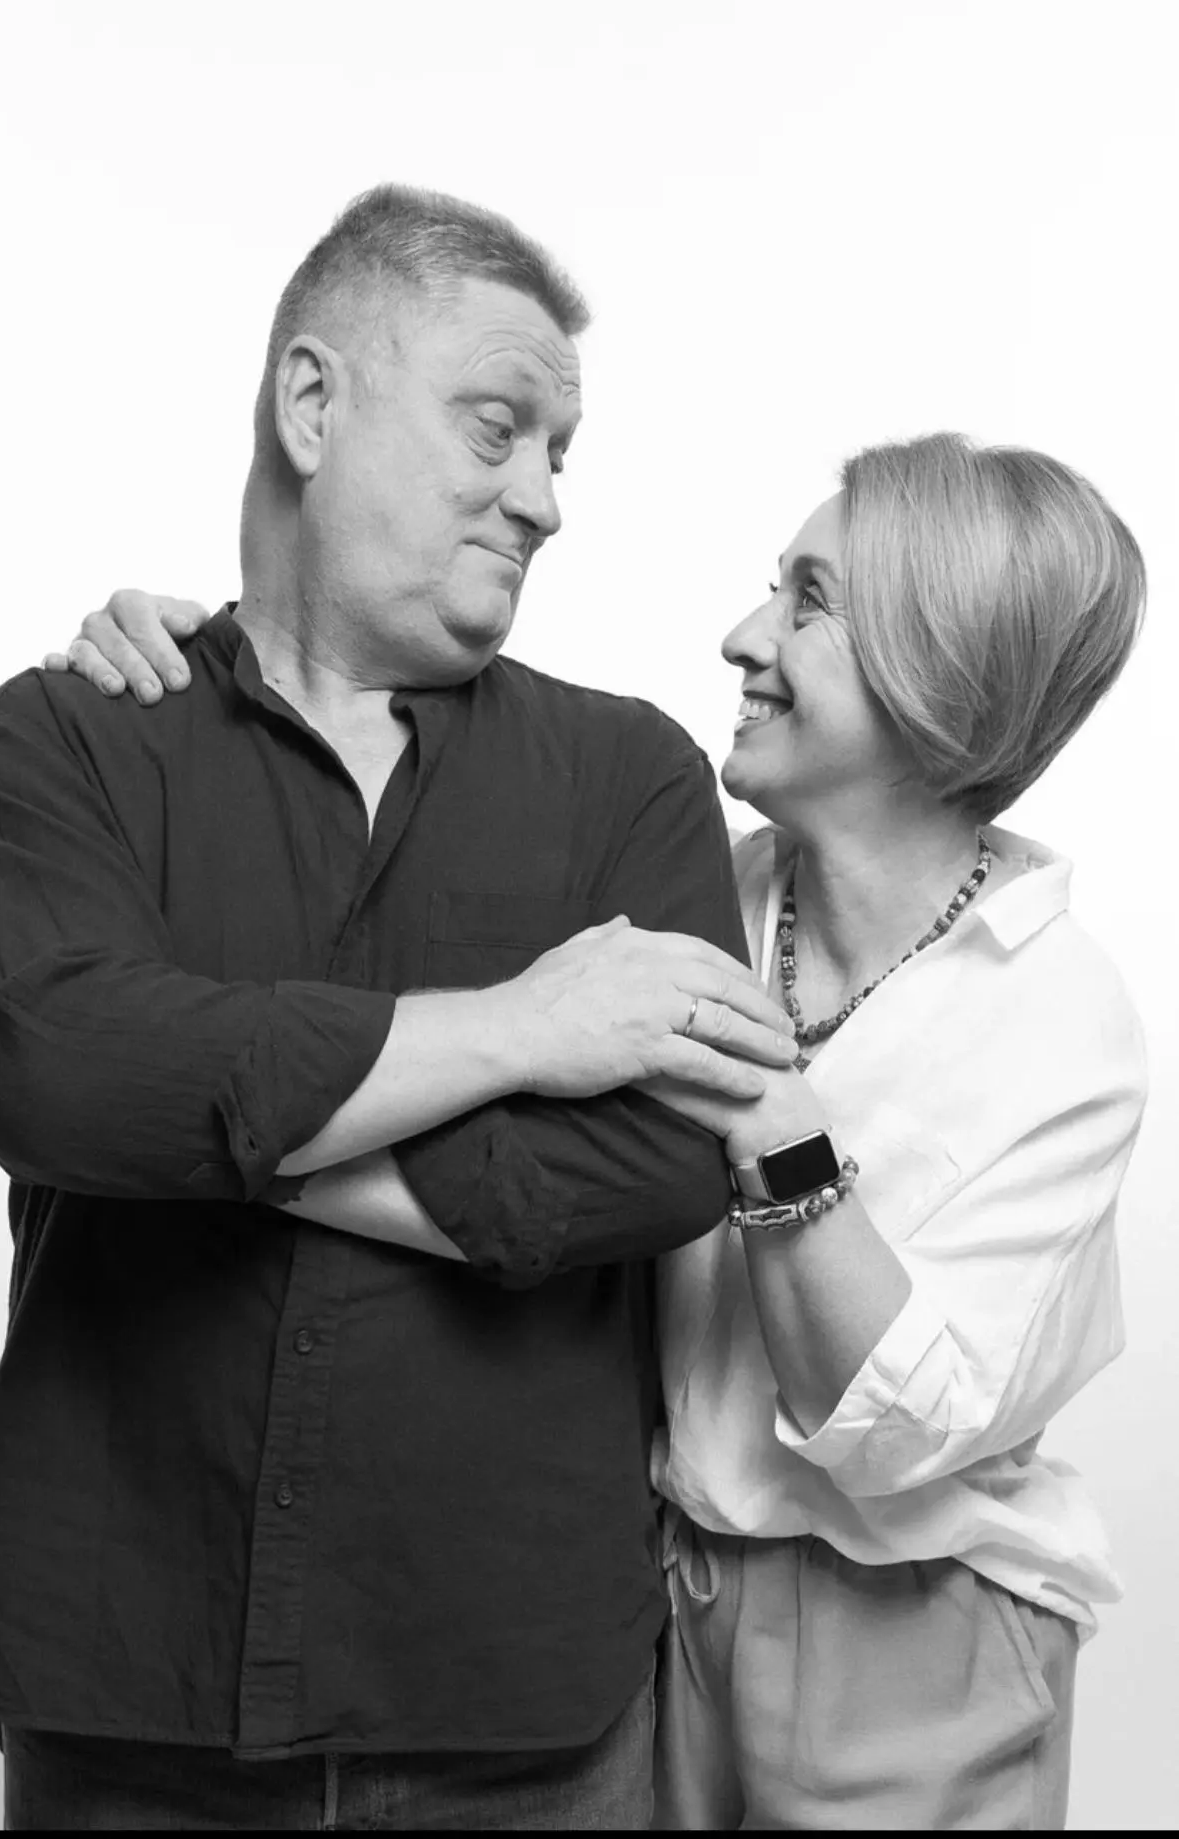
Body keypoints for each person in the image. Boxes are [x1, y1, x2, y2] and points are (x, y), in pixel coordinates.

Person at [70, 431, 1149, 1830]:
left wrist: (772, 1114)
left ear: (939, 677)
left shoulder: (1057, 1015)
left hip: (912, 1630)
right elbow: (411, 1034)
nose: (743, 635)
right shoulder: (699, 888)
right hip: (661, 1608)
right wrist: (225, 663)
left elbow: (892, 1436)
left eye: (810, 602)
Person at [0, 184, 799, 1833]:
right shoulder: (64, 742)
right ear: (311, 402)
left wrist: (217, 1134)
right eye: (499, 428)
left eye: (561, 454)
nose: (544, 499)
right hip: (133, 1700)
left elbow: (657, 1168)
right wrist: (526, 1031)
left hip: (525, 1713)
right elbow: (49, 1071)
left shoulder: (628, 776)